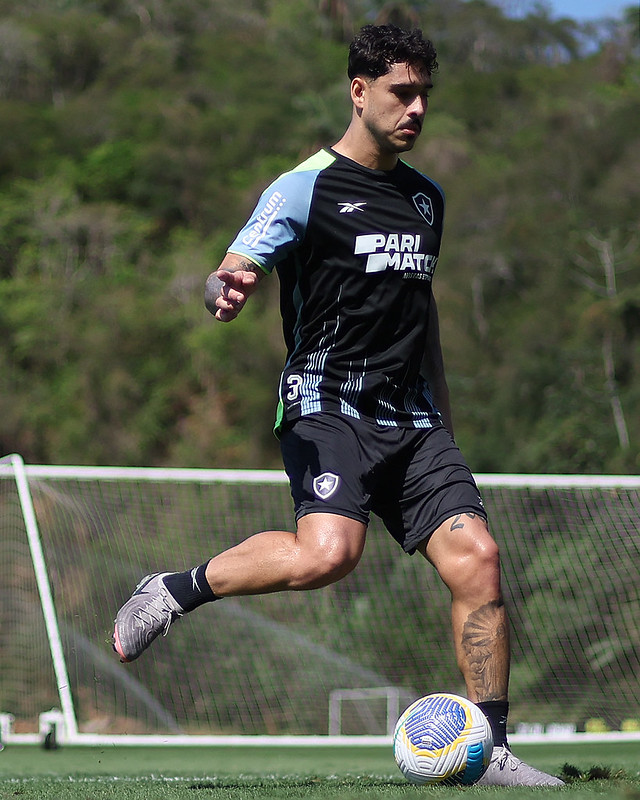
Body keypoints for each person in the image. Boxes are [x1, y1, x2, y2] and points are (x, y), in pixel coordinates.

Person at [113, 24, 562, 787]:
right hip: (327, 405)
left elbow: (425, 320)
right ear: (359, 91)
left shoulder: (427, 199)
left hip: (414, 420)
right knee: (329, 556)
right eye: (401, 92)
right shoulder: (303, 187)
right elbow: (231, 265)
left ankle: (489, 748)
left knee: (478, 559)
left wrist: (444, 426)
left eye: (425, 93)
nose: (417, 108)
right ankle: (172, 590)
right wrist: (223, 286)